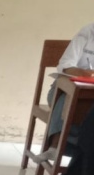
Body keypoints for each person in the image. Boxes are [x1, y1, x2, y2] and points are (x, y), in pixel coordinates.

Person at [38, 22, 94, 165]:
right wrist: (82, 72)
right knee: (70, 97)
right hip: (61, 90)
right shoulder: (88, 32)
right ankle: (55, 146)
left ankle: (77, 156)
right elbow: (65, 64)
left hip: (89, 97)